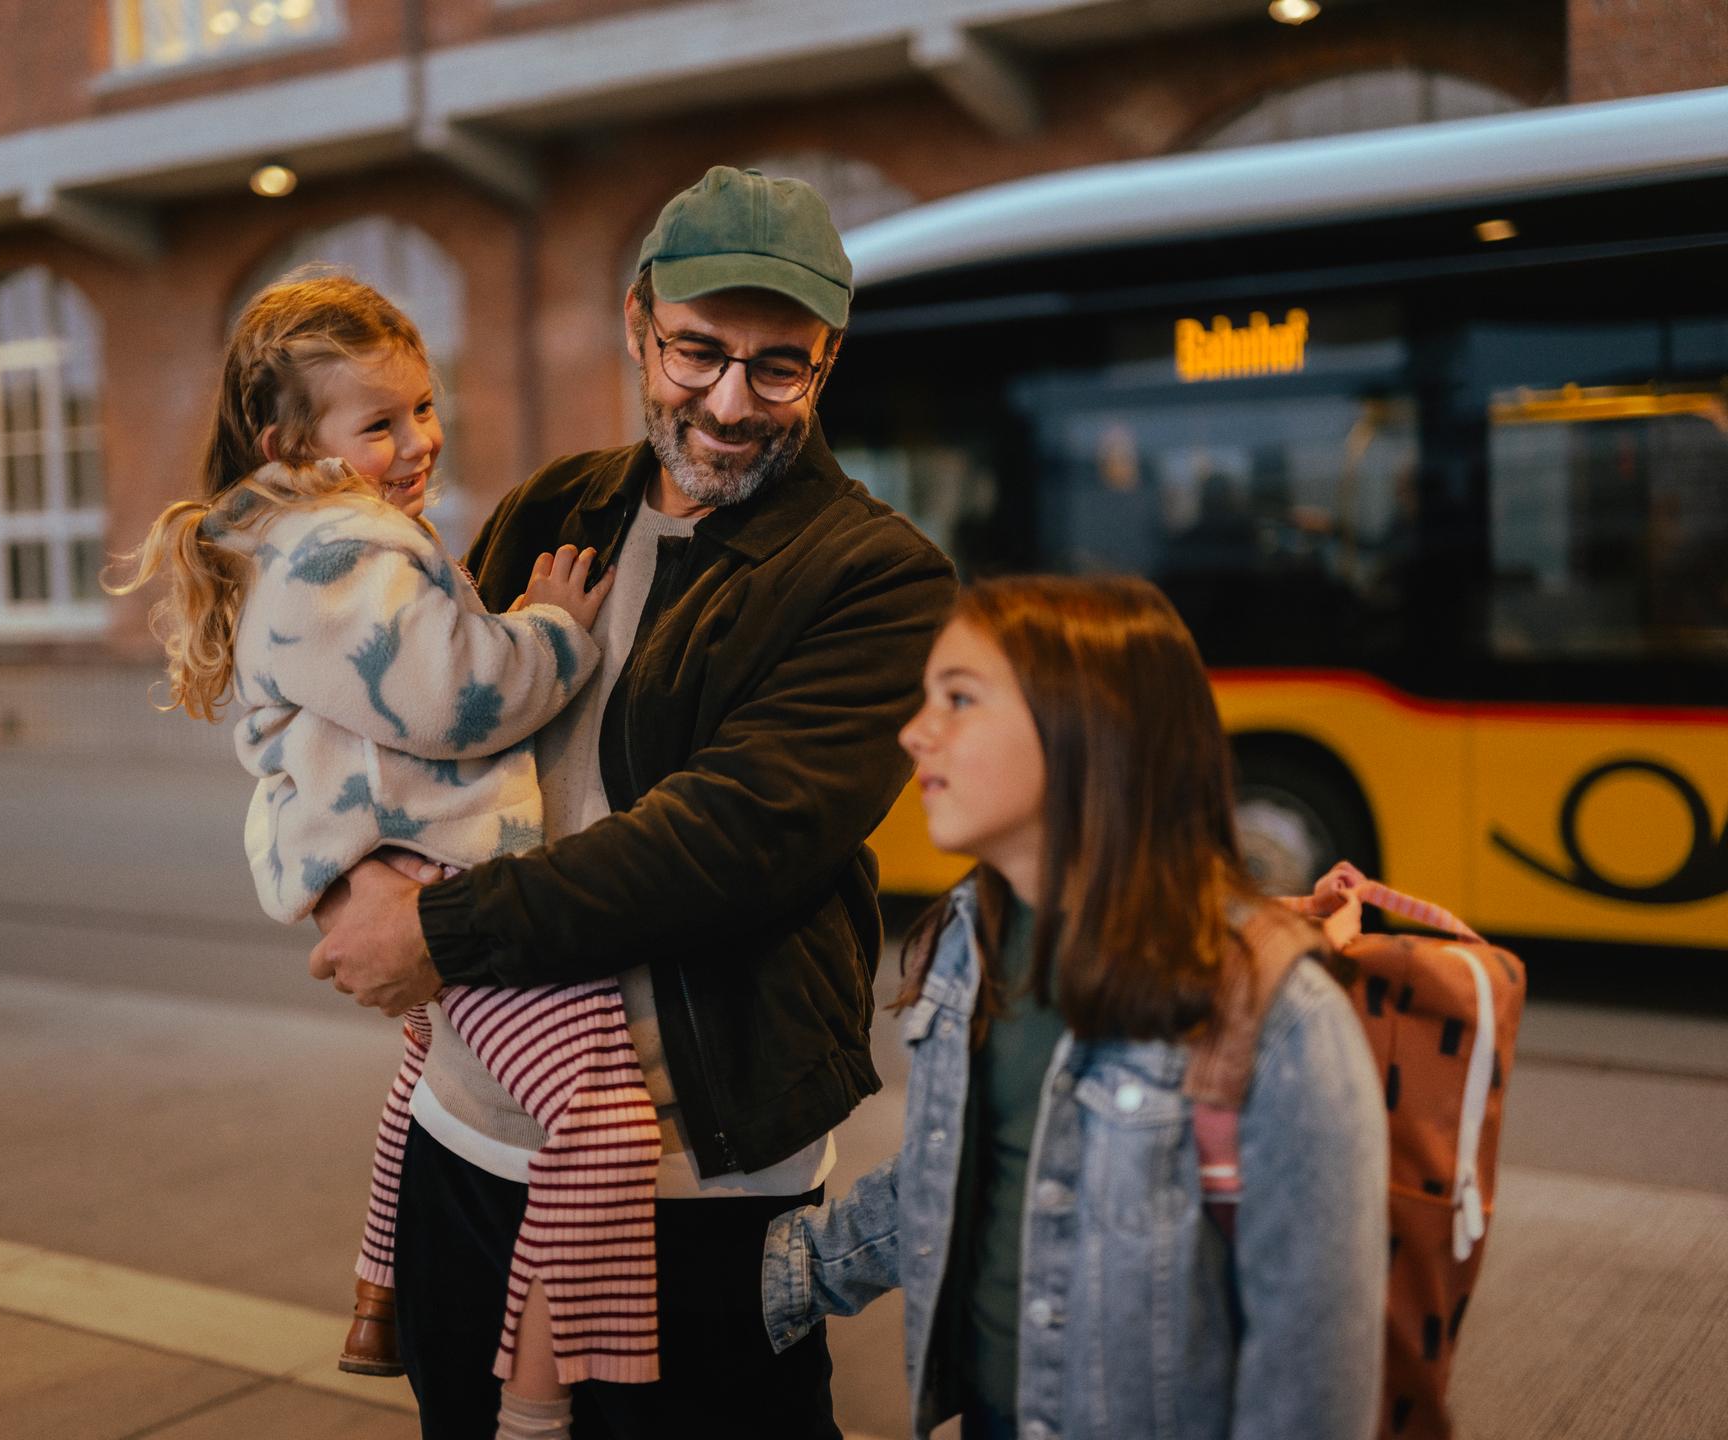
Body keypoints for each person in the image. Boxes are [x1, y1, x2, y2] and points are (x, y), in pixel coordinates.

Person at [305, 165, 958, 1438]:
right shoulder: (558, 506)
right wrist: (349, 872)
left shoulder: (876, 579)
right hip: (472, 1136)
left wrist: (436, 934)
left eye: (780, 369)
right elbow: (418, 726)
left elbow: (729, 844)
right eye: (697, 353)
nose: (729, 402)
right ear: (636, 325)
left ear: (828, 358)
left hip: (694, 1179)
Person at [109, 272, 666, 1440]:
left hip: (401, 864)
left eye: (423, 407)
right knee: (605, 1124)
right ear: (290, 440)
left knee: (422, 1068)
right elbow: (464, 697)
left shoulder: (302, 540)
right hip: (452, 877)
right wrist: (555, 627)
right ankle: (537, 1397)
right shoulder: (343, 549)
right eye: (379, 423)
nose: (417, 442)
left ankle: (379, 1300)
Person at [761, 575, 1389, 1440]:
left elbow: (1310, 1393)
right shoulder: (969, 940)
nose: (915, 732)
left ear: (1086, 727)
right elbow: (954, 1173)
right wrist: (784, 1276)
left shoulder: (1276, 1015)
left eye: (960, 699)